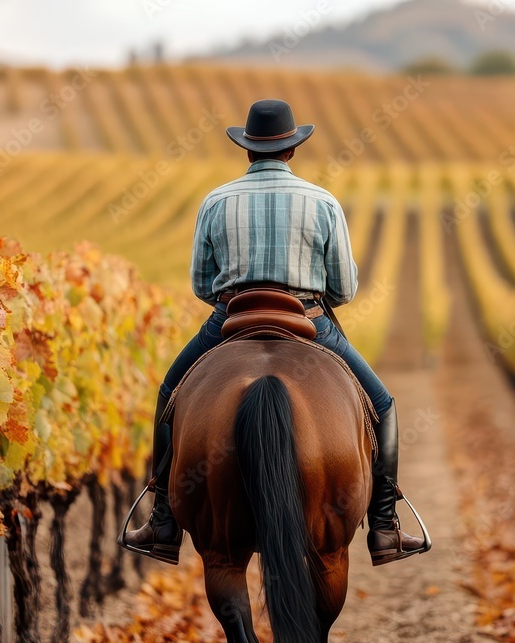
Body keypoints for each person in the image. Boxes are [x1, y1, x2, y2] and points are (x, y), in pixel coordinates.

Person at [122, 99, 426, 566]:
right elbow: (342, 289)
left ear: (247, 150)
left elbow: (202, 285)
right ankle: (384, 526)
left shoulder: (216, 200)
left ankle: (163, 521)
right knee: (382, 405)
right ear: (291, 150)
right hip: (309, 320)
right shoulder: (322, 201)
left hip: (229, 318)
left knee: (168, 395)